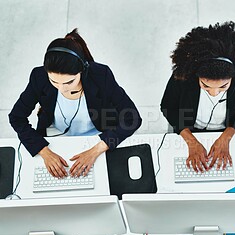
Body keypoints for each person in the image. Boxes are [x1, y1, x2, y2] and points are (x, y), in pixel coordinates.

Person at [9, 28, 142, 178]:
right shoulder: (38, 77)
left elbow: (132, 118)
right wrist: (43, 151)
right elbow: (16, 117)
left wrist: (96, 150)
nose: (62, 89)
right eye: (54, 81)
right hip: (55, 139)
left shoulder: (101, 75)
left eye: (69, 82)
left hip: (97, 137)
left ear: (82, 70)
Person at [160, 21, 235, 172]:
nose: (214, 93)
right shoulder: (183, 75)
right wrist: (191, 141)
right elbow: (168, 107)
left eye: (223, 87)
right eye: (206, 86)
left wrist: (226, 137)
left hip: (227, 128)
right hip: (188, 128)